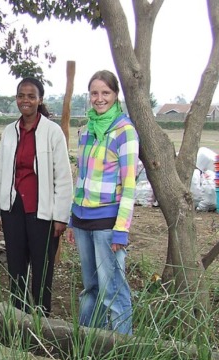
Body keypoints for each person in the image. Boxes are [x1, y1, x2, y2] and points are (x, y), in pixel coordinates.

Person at [0, 77, 73, 316]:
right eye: (21, 96)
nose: (25, 101)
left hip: (42, 211)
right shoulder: (9, 132)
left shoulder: (52, 132)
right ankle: (18, 316)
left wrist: (60, 217)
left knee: (42, 267)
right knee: (16, 267)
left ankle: (42, 318)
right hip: (13, 209)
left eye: (31, 96)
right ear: (16, 99)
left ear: (40, 100)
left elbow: (63, 177)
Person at [66, 70, 139, 335]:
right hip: (83, 220)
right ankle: (86, 345)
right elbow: (81, 179)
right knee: (91, 288)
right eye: (94, 93)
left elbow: (129, 185)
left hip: (108, 224)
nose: (99, 99)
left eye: (105, 93)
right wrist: (72, 220)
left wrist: (122, 228)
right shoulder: (86, 132)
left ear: (116, 95)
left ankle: (122, 353)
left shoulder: (124, 132)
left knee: (113, 290)